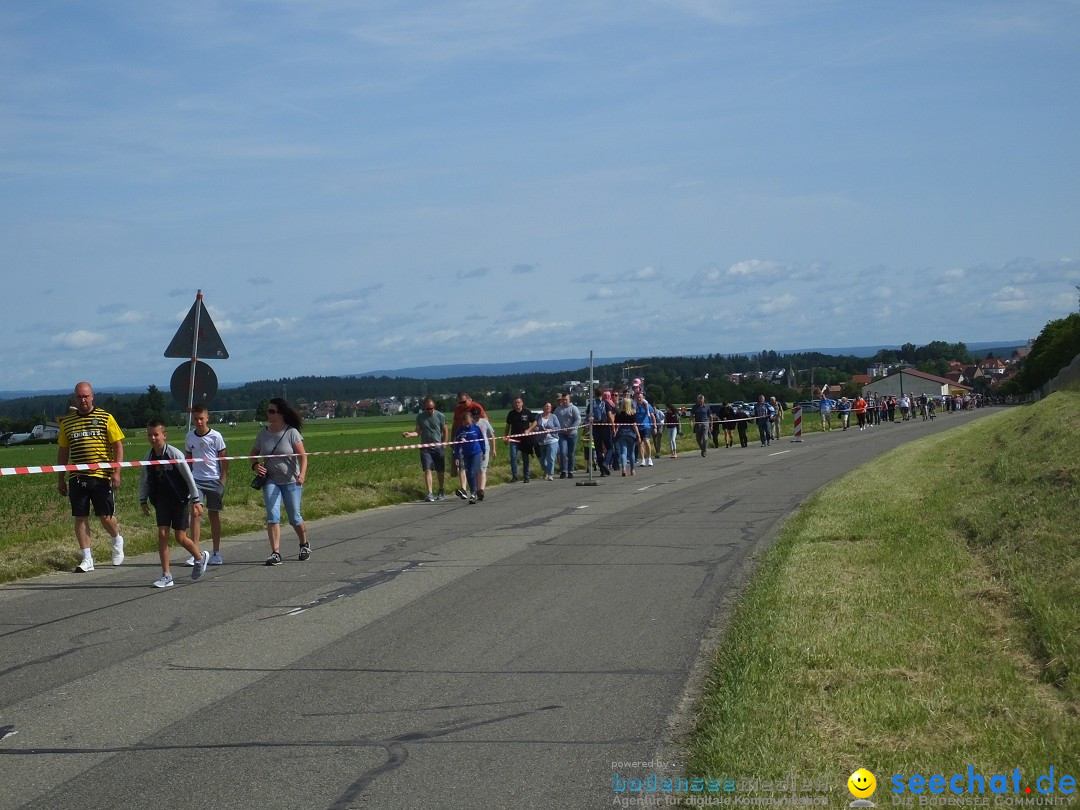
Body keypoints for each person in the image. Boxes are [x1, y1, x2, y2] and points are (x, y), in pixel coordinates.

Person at [56, 381, 125, 573]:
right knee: (80, 517)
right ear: (75, 398)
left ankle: (116, 538)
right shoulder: (68, 422)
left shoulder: (105, 417)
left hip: (101, 475)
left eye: (86, 396)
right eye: (79, 397)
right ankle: (87, 558)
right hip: (77, 476)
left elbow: (117, 445)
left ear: (92, 396)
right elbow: (63, 451)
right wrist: (60, 478)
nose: (83, 400)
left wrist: (116, 471)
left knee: (105, 516)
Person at [139, 420, 209, 588]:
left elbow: (188, 477)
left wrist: (196, 500)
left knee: (180, 537)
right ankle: (166, 575)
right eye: (150, 435)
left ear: (164, 435)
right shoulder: (148, 457)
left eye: (156, 434)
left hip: (179, 500)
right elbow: (145, 480)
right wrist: (143, 500)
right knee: (162, 535)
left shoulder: (174, 454)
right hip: (161, 501)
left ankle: (200, 558)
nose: (153, 438)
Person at [250, 398, 310, 566]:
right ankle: (275, 553)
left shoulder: (291, 433)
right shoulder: (263, 433)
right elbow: (252, 454)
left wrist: (302, 475)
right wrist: (255, 466)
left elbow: (303, 457)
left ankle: (304, 544)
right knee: (272, 517)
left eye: (272, 411)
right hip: (271, 480)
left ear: (281, 414)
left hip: (291, 481)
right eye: (268, 411)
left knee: (294, 518)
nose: (268, 414)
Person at [184, 403, 228, 566]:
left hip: (214, 480)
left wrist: (222, 481)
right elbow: (188, 460)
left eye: (201, 418)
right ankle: (195, 552)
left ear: (207, 418)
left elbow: (224, 459)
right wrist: (187, 480)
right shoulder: (190, 436)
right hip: (197, 480)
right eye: (196, 419)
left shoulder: (216, 436)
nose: (199, 422)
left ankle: (216, 552)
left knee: (213, 514)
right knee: (195, 514)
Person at [402, 397, 448, 501]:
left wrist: (444, 443)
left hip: (437, 446)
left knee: (440, 470)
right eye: (427, 409)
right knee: (427, 469)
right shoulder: (420, 417)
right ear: (424, 408)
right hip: (425, 447)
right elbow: (417, 432)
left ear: (434, 407)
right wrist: (410, 434)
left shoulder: (440, 416)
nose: (430, 411)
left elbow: (445, 430)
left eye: (431, 408)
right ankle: (430, 493)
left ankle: (441, 490)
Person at [452, 408, 486, 503]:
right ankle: (473, 493)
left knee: (472, 473)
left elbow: (481, 440)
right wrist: (456, 457)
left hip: (476, 453)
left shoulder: (476, 428)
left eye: (467, 423)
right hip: (465, 454)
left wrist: (484, 451)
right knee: (468, 474)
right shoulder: (460, 430)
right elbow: (457, 444)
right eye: (464, 423)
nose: (466, 425)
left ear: (471, 420)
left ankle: (474, 492)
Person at [504, 397, 536, 482]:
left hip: (525, 439)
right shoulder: (511, 413)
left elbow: (534, 422)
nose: (517, 404)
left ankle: (526, 476)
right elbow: (508, 425)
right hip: (514, 439)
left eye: (518, 402)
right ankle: (515, 476)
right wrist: (505, 436)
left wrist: (529, 430)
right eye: (515, 403)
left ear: (522, 403)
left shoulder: (527, 412)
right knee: (513, 457)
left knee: (525, 458)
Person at [553, 393, 582, 479]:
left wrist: (570, 429)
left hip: (572, 434)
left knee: (571, 453)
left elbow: (578, 420)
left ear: (569, 400)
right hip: (562, 434)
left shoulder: (573, 408)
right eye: (563, 399)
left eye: (566, 399)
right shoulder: (558, 410)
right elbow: (554, 420)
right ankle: (563, 470)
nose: (564, 401)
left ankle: (570, 471)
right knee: (562, 451)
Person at [530, 402, 561, 481]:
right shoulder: (538, 416)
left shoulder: (553, 417)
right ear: (543, 408)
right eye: (546, 406)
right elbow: (534, 425)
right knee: (542, 459)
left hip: (552, 439)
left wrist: (551, 429)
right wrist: (535, 428)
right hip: (541, 440)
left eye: (549, 406)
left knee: (550, 457)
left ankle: (550, 474)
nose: (548, 408)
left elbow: (558, 427)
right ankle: (545, 470)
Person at [589, 388, 615, 477]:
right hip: (605, 426)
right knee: (610, 447)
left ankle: (602, 471)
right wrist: (613, 427)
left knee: (598, 449)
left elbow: (589, 416)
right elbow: (609, 416)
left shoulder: (591, 404)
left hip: (596, 427)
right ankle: (606, 462)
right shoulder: (605, 403)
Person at [473, 405, 497, 500]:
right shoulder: (469, 424)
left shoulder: (484, 422)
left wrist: (494, 449)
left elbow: (492, 435)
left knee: (482, 469)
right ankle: (475, 489)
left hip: (484, 449)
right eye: (474, 417)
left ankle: (481, 490)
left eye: (477, 417)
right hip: (473, 450)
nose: (476, 419)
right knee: (474, 470)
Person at [613, 397, 641, 476]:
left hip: (622, 433)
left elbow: (617, 425)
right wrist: (638, 436)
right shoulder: (632, 414)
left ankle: (624, 469)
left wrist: (615, 432)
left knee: (623, 452)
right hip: (631, 434)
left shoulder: (619, 414)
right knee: (631, 452)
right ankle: (632, 470)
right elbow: (634, 426)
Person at [633, 390, 655, 467]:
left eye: (640, 397)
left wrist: (654, 426)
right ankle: (642, 459)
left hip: (646, 426)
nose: (639, 399)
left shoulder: (647, 405)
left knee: (646, 440)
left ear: (643, 397)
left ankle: (649, 458)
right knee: (640, 443)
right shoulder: (634, 406)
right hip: (638, 427)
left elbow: (652, 416)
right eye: (637, 397)